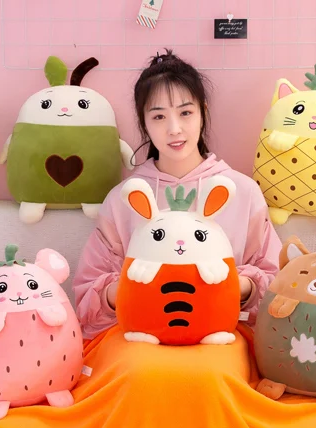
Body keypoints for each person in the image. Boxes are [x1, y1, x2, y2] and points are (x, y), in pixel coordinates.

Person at [73, 50, 281, 339]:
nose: (174, 129)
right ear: (144, 122)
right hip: (140, 339)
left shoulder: (242, 192)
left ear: (202, 112)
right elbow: (87, 298)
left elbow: (278, 287)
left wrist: (235, 285)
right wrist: (134, 287)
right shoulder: (125, 198)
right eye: (159, 116)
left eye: (185, 113)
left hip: (220, 338)